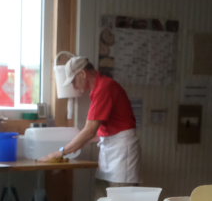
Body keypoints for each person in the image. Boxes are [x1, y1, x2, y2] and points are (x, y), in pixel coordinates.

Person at [40, 56, 141, 192]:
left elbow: (89, 131)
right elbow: (94, 133)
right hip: (110, 149)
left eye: (73, 81)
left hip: (122, 153)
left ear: (82, 74)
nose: (74, 86)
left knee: (121, 200)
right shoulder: (98, 89)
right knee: (101, 199)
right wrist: (74, 145)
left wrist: (59, 153)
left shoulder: (105, 87)